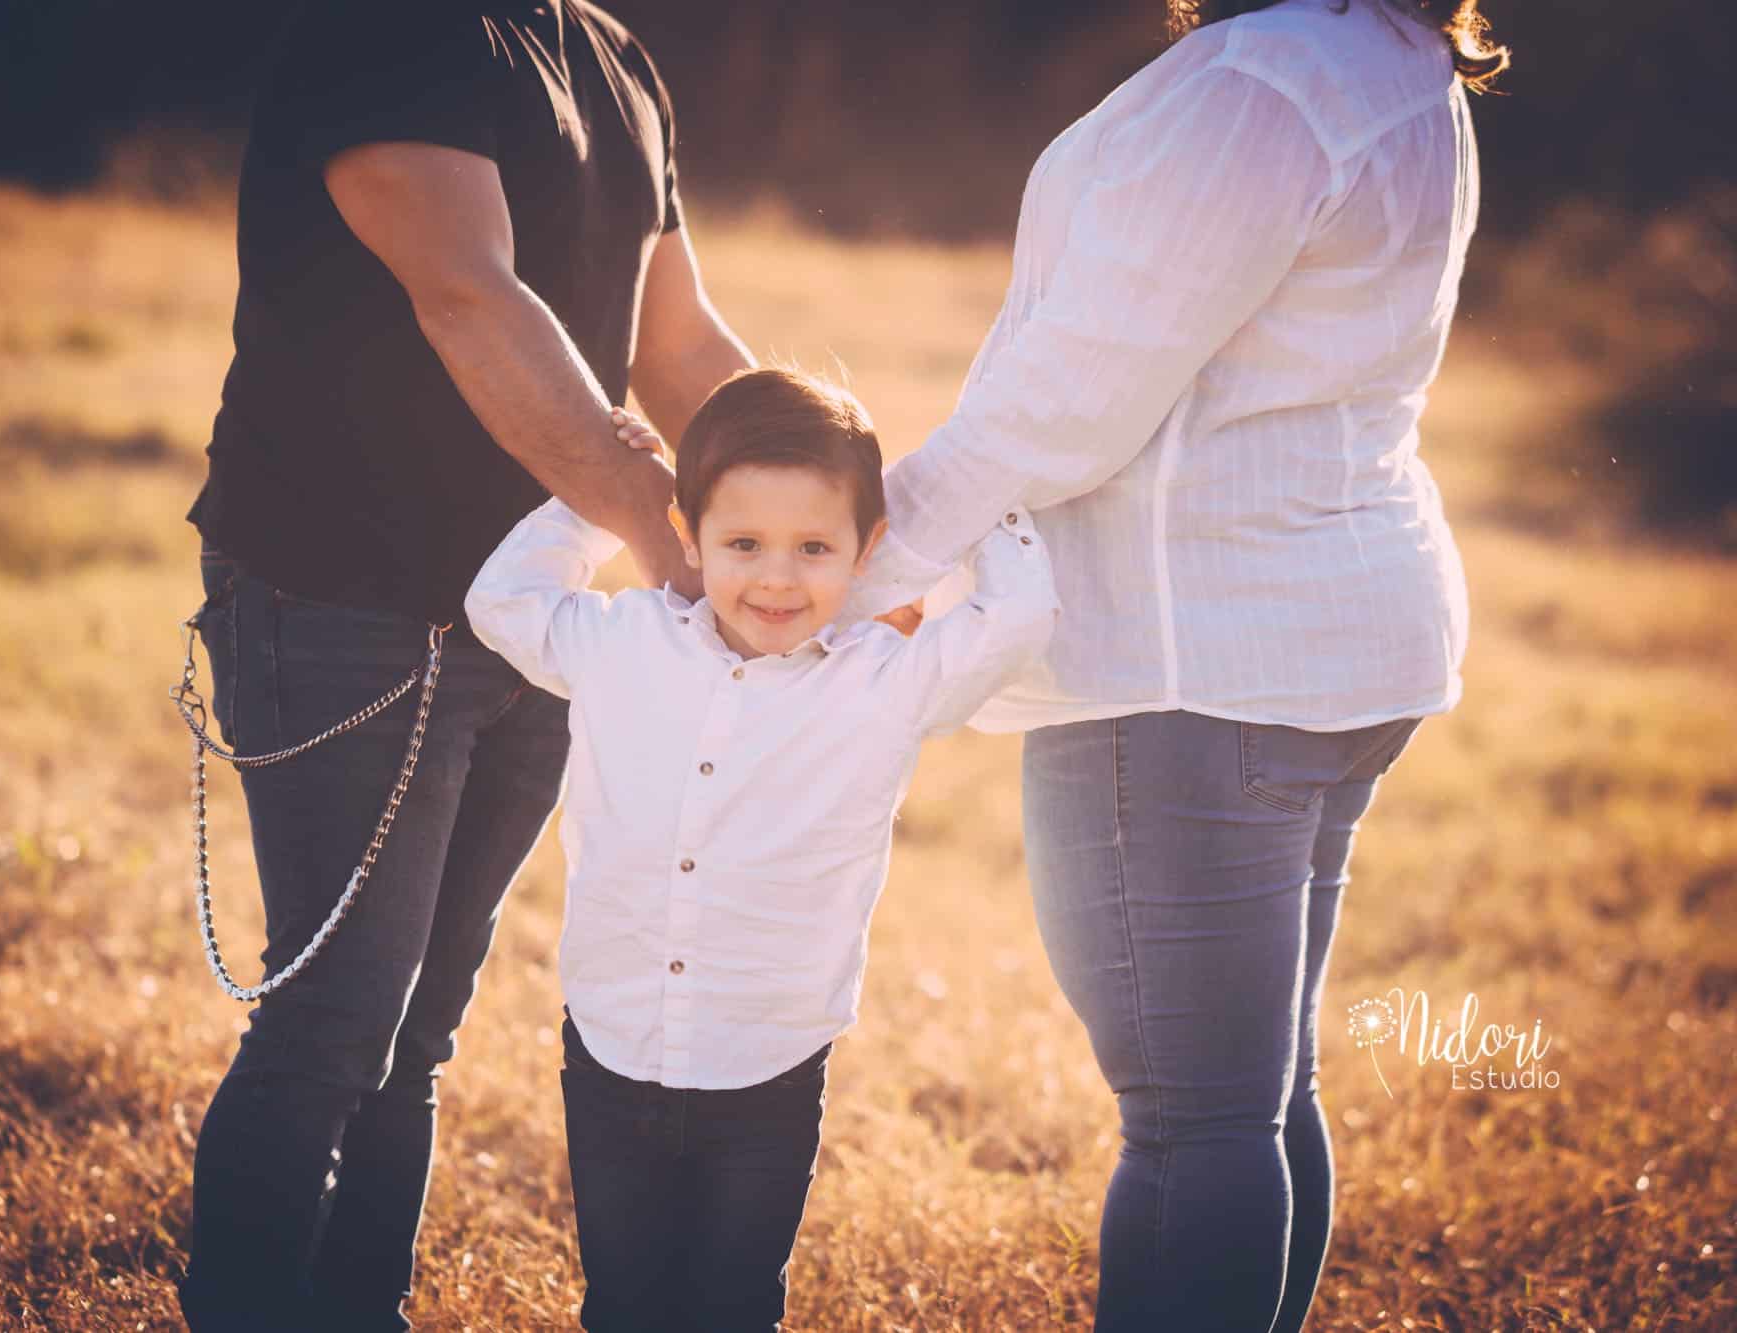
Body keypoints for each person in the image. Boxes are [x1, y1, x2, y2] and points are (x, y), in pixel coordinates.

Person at [837, 1, 1510, 1329]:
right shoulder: (1389, 55)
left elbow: (1069, 402)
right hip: (1313, 640)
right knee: (1250, 1100)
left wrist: (839, 572)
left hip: (1194, 664)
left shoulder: (1260, 87)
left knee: (1194, 1125)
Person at [177, 2, 753, 1328]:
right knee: (333, 1032)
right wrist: (674, 540)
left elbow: (678, 348)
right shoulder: (395, 25)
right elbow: (468, 294)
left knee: (415, 1033)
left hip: (532, 621)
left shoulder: (613, 57)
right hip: (347, 603)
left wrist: (834, 514)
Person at [464, 368, 1059, 1331]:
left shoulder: (885, 680)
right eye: (743, 543)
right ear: (689, 534)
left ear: (866, 550)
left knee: (735, 1305)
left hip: (771, 1063)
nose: (777, 577)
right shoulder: (624, 642)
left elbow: (1019, 618)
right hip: (613, 1045)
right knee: (621, 1303)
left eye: (814, 547)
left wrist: (969, 492)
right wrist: (601, 500)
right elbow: (503, 601)